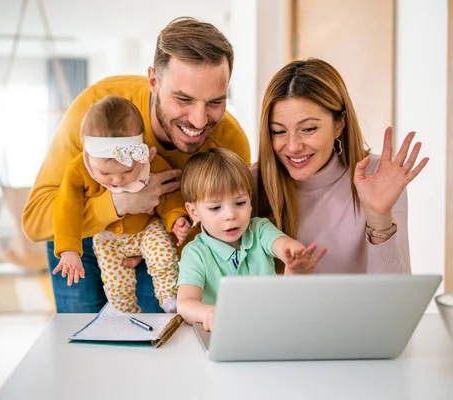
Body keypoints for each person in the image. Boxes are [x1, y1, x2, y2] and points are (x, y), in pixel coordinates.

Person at [23, 17, 250, 313]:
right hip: (86, 237)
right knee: (82, 334)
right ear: (153, 81)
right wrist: (120, 203)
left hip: (164, 239)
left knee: (161, 334)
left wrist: (167, 237)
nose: (199, 120)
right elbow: (36, 219)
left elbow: (234, 224)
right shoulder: (96, 111)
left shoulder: (229, 140)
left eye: (216, 102)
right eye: (183, 99)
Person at [253, 58, 429, 274]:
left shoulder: (378, 177)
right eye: (278, 131)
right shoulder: (250, 183)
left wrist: (379, 216)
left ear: (339, 124)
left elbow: (397, 297)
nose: (293, 146)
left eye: (308, 129)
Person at [52, 95, 191, 313]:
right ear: (89, 157)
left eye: (127, 171)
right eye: (106, 173)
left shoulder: (149, 162)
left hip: (146, 229)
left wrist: (176, 217)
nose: (116, 180)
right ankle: (125, 313)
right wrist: (69, 250)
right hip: (108, 238)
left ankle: (169, 298)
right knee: (116, 284)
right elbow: (66, 209)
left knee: (163, 256)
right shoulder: (78, 170)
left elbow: (170, 192)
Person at [176, 148, 327, 331]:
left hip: (272, 327)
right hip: (225, 332)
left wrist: (296, 258)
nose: (230, 215)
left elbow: (285, 245)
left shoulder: (259, 229)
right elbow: (185, 303)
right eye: (216, 208)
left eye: (240, 203)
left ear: (250, 200)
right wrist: (209, 313)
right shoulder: (195, 253)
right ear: (194, 212)